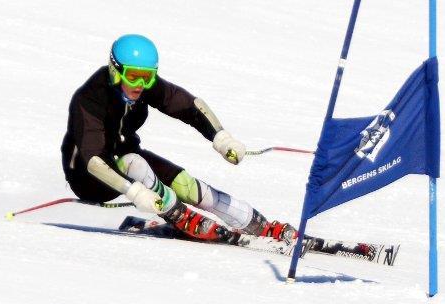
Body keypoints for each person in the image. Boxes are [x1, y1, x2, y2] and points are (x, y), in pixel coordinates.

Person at [61, 34, 296, 242]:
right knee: (136, 162)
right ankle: (178, 215)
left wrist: (221, 138)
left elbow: (188, 105)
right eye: (133, 76)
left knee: (186, 184)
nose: (140, 85)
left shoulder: (141, 86)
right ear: (116, 71)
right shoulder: (90, 99)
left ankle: (255, 223)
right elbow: (94, 161)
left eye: (148, 77)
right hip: (89, 177)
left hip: (128, 162)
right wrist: (135, 192)